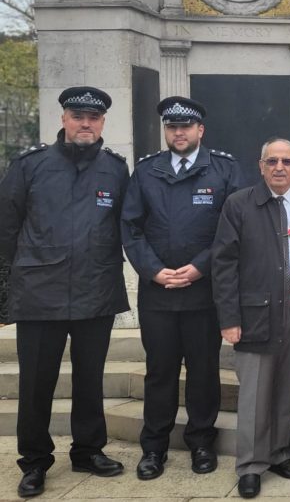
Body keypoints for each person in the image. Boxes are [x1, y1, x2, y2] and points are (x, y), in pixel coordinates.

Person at [0, 87, 129, 498]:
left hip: (95, 292)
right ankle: (35, 462)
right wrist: (7, 290)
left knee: (90, 380)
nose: (85, 123)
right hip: (40, 294)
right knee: (36, 384)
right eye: (77, 116)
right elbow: (5, 229)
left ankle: (88, 450)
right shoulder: (30, 166)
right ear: (63, 120)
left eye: (93, 117)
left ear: (103, 122)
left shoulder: (115, 170)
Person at [121, 96, 243, 480]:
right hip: (158, 293)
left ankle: (201, 443)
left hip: (204, 293)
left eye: (186, 126)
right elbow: (131, 227)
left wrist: (200, 267)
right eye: (172, 127)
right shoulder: (145, 172)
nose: (178, 132)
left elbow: (234, 228)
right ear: (166, 131)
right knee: (159, 372)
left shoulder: (224, 169)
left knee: (204, 371)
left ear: (199, 130)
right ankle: (153, 448)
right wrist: (154, 271)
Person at [212, 139, 290, 499]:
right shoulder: (239, 204)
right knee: (256, 391)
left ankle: (279, 453)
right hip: (256, 307)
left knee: (287, 385)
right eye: (271, 161)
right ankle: (250, 464)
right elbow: (223, 263)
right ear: (260, 166)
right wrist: (229, 317)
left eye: (286, 161)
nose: (279, 167)